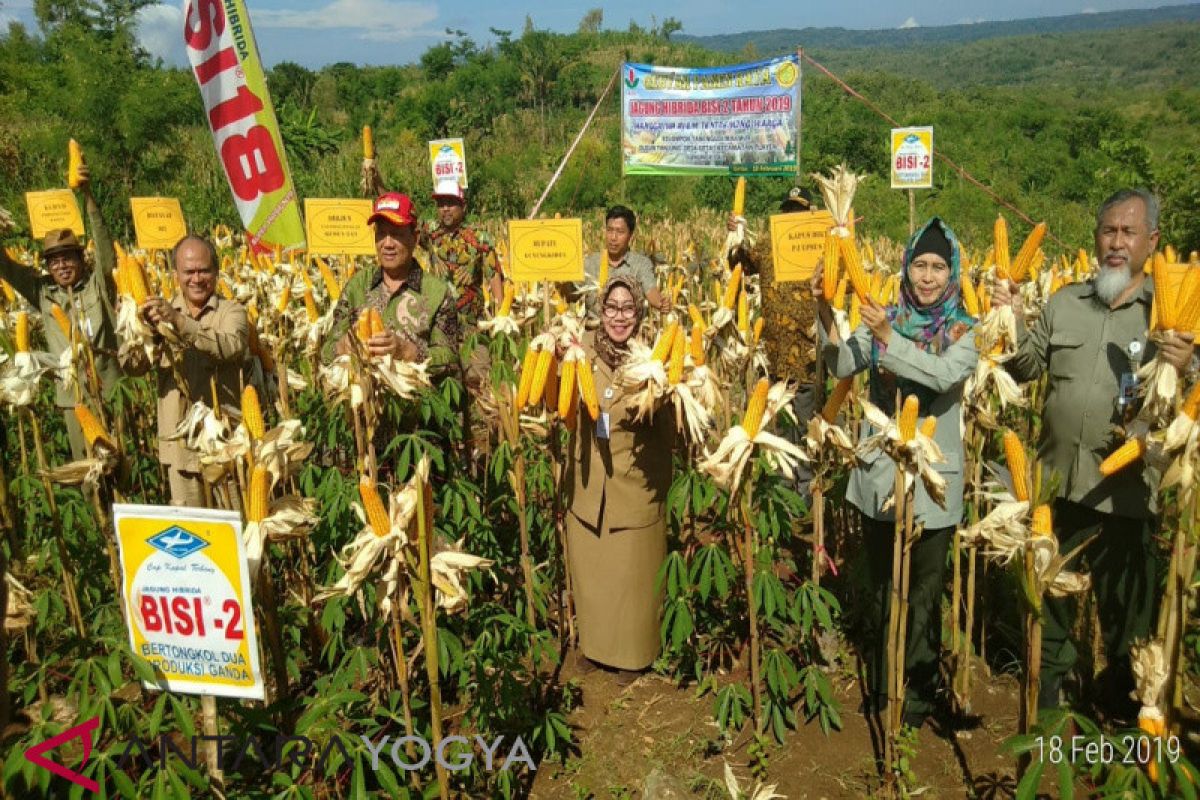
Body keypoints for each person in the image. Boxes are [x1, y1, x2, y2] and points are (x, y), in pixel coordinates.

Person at [995, 188, 1194, 721]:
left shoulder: (1170, 316)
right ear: (1095, 237)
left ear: (1151, 242)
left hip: (1128, 496)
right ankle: (1052, 714)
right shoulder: (1063, 302)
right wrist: (1009, 321)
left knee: (1128, 618)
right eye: (1109, 230)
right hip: (1056, 487)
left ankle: (1127, 719)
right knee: (1053, 604)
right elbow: (1026, 369)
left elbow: (1190, 405)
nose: (1116, 242)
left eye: (1129, 233)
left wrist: (1190, 364)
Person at [814, 217, 978, 728]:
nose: (927, 276)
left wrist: (889, 338)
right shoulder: (883, 318)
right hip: (882, 478)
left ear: (950, 273)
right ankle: (885, 687)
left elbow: (944, 374)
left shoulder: (963, 331)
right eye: (918, 265)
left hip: (933, 484)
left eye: (936, 267)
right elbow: (842, 364)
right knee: (887, 586)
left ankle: (921, 691)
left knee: (925, 590)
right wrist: (822, 307)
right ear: (906, 268)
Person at [565, 275, 676, 684]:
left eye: (628, 308)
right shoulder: (581, 352)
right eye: (611, 307)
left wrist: (666, 398)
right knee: (594, 571)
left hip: (635, 480)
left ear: (639, 313)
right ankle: (594, 648)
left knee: (632, 574)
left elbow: (674, 432)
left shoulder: (653, 360)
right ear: (600, 309)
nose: (618, 317)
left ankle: (632, 655)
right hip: (589, 480)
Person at [0, 165, 120, 458]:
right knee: (87, 474)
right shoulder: (43, 293)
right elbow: (7, 268)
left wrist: (88, 196)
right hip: (73, 399)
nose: (62, 266)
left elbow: (106, 252)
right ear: (48, 267)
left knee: (120, 468)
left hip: (109, 391)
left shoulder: (98, 287)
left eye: (68, 258)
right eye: (54, 261)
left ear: (81, 259)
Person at [139, 235, 249, 507]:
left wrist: (179, 321)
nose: (197, 279)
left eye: (204, 270)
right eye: (189, 271)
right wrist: (144, 334)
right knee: (193, 539)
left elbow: (230, 346)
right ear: (176, 274)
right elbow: (133, 367)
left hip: (225, 449)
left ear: (216, 271)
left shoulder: (232, 311)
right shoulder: (155, 316)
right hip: (180, 454)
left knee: (232, 535)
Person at [727, 187, 820, 490]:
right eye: (789, 211)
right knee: (780, 431)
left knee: (806, 428)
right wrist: (735, 234)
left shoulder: (819, 250)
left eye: (800, 211)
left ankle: (805, 493)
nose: (793, 217)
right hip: (776, 357)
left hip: (810, 356)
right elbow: (739, 264)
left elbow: (843, 282)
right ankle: (784, 492)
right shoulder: (767, 247)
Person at [324, 192, 458, 372]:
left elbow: (450, 359)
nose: (387, 244)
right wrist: (342, 347)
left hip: (416, 396)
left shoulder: (438, 293)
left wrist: (408, 352)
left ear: (415, 238)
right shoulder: (357, 286)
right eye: (381, 233)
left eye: (396, 234)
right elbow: (325, 352)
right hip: (364, 395)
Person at [419, 179, 501, 390]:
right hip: (438, 328)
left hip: (472, 327)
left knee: (479, 381)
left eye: (451, 203)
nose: (445, 208)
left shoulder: (480, 238)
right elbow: (401, 221)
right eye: (441, 203)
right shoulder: (430, 232)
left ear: (463, 206)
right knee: (439, 385)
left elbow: (493, 275)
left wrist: (502, 315)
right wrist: (377, 179)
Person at [574, 206, 670, 320]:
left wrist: (661, 303)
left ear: (631, 235)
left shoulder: (640, 264)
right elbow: (571, 295)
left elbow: (651, 291)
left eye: (620, 232)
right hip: (594, 329)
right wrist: (560, 281)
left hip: (628, 329)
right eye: (610, 230)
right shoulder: (589, 263)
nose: (613, 238)